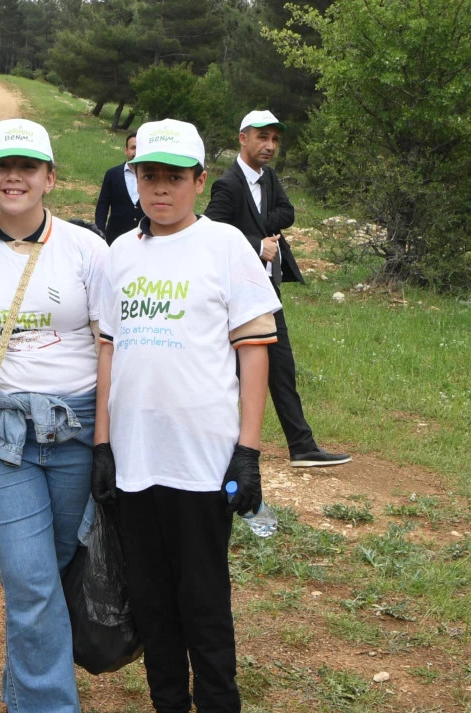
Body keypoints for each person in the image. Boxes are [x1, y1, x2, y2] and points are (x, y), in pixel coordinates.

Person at [91, 119, 282, 713]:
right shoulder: (119, 253)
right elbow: (109, 349)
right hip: (135, 458)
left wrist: (247, 452)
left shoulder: (225, 246)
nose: (161, 189)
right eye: (149, 176)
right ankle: (168, 701)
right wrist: (103, 445)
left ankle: (219, 702)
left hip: (201, 460)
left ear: (199, 180)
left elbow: (254, 351)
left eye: (174, 177)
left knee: (202, 599)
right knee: (151, 599)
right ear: (136, 179)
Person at [0, 119, 108, 712]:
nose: (14, 177)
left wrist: (108, 439)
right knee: (30, 579)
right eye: (2, 166)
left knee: (56, 569)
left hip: (77, 428)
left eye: (27, 167)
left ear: (50, 179)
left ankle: (24, 696)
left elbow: (106, 345)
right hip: (2, 432)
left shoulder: (89, 250)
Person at [204, 110, 350, 468]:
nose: (269, 146)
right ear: (243, 138)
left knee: (282, 366)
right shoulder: (227, 184)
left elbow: (288, 212)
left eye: (275, 140)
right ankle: (218, 444)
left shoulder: (269, 179)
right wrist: (257, 244)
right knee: (228, 371)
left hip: (267, 289)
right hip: (234, 292)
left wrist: (261, 226)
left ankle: (302, 445)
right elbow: (210, 230)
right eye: (262, 138)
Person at [94, 133, 144, 244]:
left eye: (140, 148)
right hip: (115, 237)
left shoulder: (152, 177)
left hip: (144, 238)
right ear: (126, 150)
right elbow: (102, 206)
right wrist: (100, 233)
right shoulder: (112, 174)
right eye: (133, 147)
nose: (136, 152)